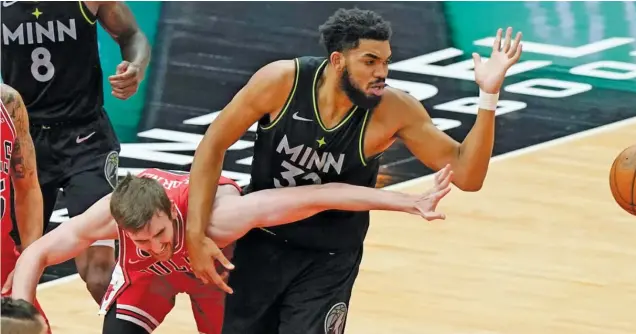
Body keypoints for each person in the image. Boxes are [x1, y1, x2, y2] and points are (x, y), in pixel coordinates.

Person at [186, 7, 523, 333]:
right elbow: (212, 146)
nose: (382, 72)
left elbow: (468, 175)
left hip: (329, 256)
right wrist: (195, 235)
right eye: (370, 61)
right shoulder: (281, 82)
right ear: (337, 61)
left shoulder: (394, 110)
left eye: (386, 61)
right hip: (261, 242)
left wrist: (488, 95)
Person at [11, 165, 454, 334]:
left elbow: (317, 195)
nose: (154, 245)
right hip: (149, 282)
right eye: (140, 240)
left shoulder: (222, 215)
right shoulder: (112, 213)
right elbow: (36, 255)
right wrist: (22, 312)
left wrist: (407, 201)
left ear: (173, 212)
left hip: (217, 278)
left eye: (159, 234)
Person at [0, 1, 151, 304]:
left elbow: (131, 34)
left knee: (100, 273)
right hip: (23, 139)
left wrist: (135, 66)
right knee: (10, 273)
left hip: (86, 139)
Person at [0, 85, 50, 333]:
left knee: (35, 327)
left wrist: (29, 261)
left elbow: (28, 185)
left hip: (3, 261)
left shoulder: (8, 102)